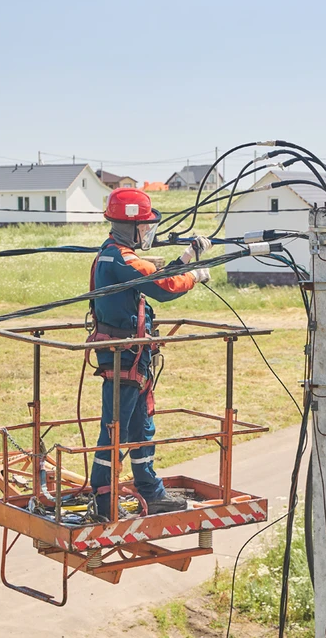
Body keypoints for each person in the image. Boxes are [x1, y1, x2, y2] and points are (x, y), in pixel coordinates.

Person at [88, 188, 212, 518]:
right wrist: (195, 276)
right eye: (144, 227)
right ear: (129, 227)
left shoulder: (115, 255)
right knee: (114, 430)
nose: (148, 234)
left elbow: (153, 276)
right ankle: (102, 498)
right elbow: (160, 287)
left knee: (141, 427)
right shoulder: (120, 258)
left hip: (134, 357)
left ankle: (150, 491)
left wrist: (186, 257)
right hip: (123, 357)